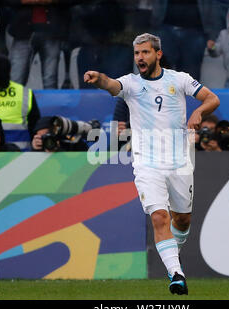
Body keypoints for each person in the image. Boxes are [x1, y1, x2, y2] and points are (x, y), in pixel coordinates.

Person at [84, 33, 220, 295]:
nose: (139, 58)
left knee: (182, 220)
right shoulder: (132, 84)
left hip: (179, 161)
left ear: (158, 54)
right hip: (147, 163)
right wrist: (99, 79)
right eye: (136, 53)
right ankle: (176, 274)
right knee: (160, 217)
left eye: (145, 52)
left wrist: (198, 111)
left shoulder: (178, 79)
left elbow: (212, 98)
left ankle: (171, 256)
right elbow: (112, 85)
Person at [6, 0, 72, 89]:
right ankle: (14, 102)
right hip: (23, 31)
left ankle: (50, 103)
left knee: (50, 79)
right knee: (16, 79)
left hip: (51, 31)